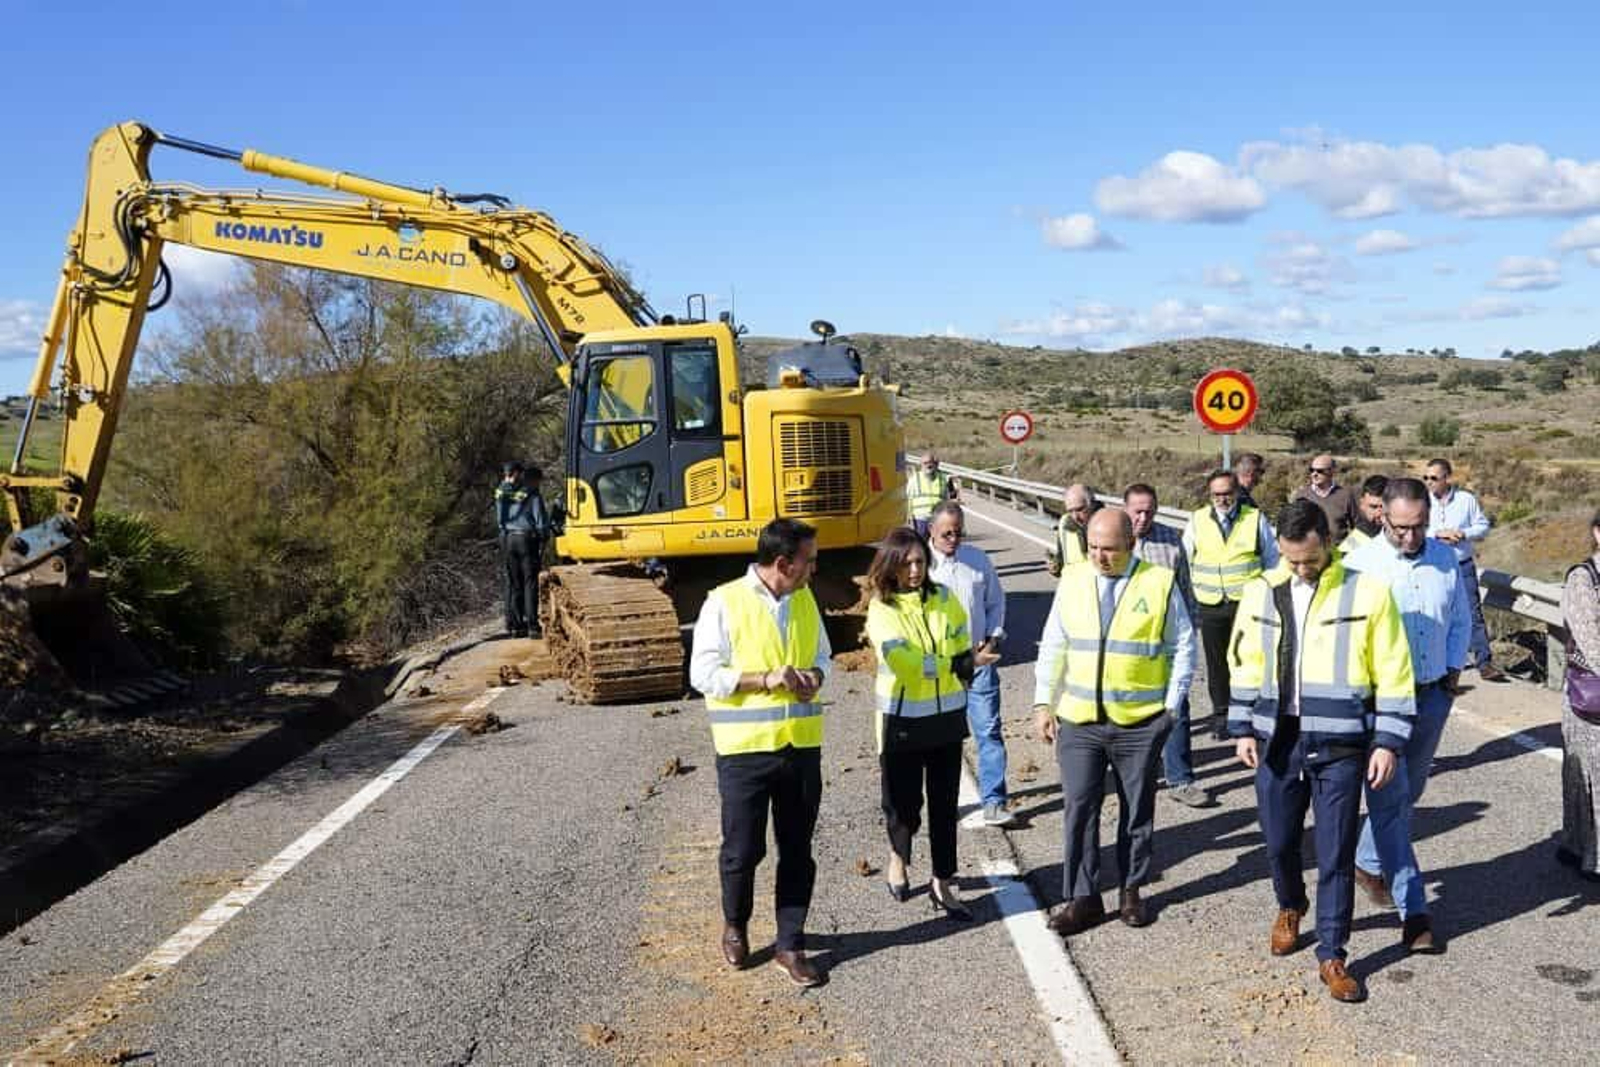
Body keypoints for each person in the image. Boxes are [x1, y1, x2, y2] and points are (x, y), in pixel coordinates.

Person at [1229, 500, 1415, 1004]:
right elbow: (1244, 660)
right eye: (1291, 560)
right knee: (1278, 841)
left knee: (1335, 852)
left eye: (1309, 560)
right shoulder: (1261, 591)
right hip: (1278, 739)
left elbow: (1394, 669)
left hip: (1341, 744)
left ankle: (1332, 953)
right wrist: (1242, 728)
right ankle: (1291, 904)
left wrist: (1388, 741)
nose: (1300, 570)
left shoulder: (1367, 592)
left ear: (1327, 543)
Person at [1035, 509, 1195, 935]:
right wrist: (1043, 702)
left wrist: (1172, 707)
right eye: (1092, 547)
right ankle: (1083, 898)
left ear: (1132, 544)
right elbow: (1054, 642)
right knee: (1079, 807)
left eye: (1109, 549)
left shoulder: (1158, 582)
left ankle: (1131, 890)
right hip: (1080, 719)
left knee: (1136, 811)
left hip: (1140, 722)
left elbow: (1182, 645)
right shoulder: (1073, 579)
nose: (1099, 557)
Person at [688, 518, 832, 986]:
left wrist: (815, 677)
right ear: (783, 563)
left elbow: (824, 656)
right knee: (743, 850)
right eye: (809, 560)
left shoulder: (805, 599)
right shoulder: (723, 601)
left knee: (798, 851)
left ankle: (791, 944)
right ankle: (736, 923)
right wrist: (763, 679)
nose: (814, 568)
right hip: (745, 753)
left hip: (800, 748)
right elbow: (702, 675)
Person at [1342, 477, 1471, 951]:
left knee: (1410, 792)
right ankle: (1414, 910)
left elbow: (1460, 618)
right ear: (1383, 518)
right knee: (1389, 803)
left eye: (1418, 527)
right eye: (1400, 528)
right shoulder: (1360, 565)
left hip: (1433, 696)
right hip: (1383, 705)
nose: (1410, 536)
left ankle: (1366, 860)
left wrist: (1453, 671)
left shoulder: (1445, 558)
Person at [866, 526, 993, 919]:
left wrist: (965, 663)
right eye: (906, 564)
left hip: (946, 720)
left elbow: (961, 647)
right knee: (903, 804)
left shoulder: (945, 599)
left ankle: (943, 881)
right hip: (901, 721)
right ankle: (898, 857)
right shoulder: (882, 609)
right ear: (891, 566)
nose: (915, 570)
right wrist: (957, 664)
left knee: (944, 806)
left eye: (920, 561)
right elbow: (905, 664)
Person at [926, 502, 1016, 828]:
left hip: (980, 662)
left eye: (958, 532)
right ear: (931, 531)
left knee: (988, 731)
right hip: (941, 668)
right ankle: (943, 802)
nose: (954, 539)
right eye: (946, 534)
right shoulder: (920, 566)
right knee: (942, 740)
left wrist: (993, 639)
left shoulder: (978, 560)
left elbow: (996, 603)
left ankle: (994, 802)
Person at [1123, 483, 1209, 808]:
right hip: (1125, 644)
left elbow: (1185, 589)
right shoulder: (1112, 537)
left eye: (1149, 511)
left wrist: (1190, 632)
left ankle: (1181, 780)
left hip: (1166, 639)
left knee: (1177, 709)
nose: (1143, 518)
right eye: (1137, 511)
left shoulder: (1170, 540)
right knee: (1129, 712)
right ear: (1125, 508)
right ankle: (1132, 776)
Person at [1183, 470, 1279, 741]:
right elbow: (1185, 560)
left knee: (1247, 659)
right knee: (1216, 665)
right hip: (1210, 605)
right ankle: (1221, 716)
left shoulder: (1254, 519)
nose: (1222, 499)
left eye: (1226, 493)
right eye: (1216, 494)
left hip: (1246, 605)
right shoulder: (1197, 520)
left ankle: (1250, 712)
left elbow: (1272, 560)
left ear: (1236, 493)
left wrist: (1267, 596)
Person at [1424, 458, 1504, 681]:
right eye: (1426, 477)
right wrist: (1437, 534)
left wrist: (1463, 533)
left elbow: (1483, 526)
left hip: (1462, 565)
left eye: (1434, 478)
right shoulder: (1423, 501)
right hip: (1433, 566)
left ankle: (1484, 663)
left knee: (1472, 613)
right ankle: (1437, 662)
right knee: (1435, 612)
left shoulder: (1466, 500)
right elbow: (1416, 528)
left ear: (1447, 478)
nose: (1429, 482)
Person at [1558, 508, 1600, 882]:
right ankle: (1587, 853)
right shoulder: (1582, 579)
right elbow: (1590, 639)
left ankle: (1578, 848)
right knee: (1585, 775)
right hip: (1589, 691)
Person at [495, 461, 551, 638]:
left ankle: (516, 626)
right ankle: (533, 626)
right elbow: (540, 519)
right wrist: (544, 535)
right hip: (526, 539)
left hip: (508, 538)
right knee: (529, 582)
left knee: (514, 583)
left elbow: (499, 519)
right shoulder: (531, 493)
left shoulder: (500, 492)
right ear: (518, 473)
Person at [1292, 454, 1360, 546]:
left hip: (1337, 552)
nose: (1314, 474)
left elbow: (1360, 529)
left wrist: (1346, 550)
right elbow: (1294, 526)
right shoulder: (1301, 496)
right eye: (1312, 470)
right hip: (1310, 552)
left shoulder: (1346, 495)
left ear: (1332, 472)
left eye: (1320, 471)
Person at [1047, 483, 1100, 577]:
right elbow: (1062, 559)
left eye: (1080, 509)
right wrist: (1056, 567)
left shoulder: (1108, 525)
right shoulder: (1064, 524)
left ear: (1092, 504)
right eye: (1070, 511)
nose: (1075, 516)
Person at [907, 452, 957, 538]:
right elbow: (908, 498)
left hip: (938, 517)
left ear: (935, 464)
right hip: (920, 518)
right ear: (921, 465)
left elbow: (948, 498)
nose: (928, 465)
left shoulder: (943, 478)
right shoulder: (914, 479)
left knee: (938, 541)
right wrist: (909, 516)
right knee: (922, 542)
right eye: (925, 463)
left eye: (931, 462)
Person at [1341, 474, 1388, 556]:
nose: (1379, 513)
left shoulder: (1407, 536)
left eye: (1384, 506)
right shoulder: (1356, 538)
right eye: (1373, 507)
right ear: (1362, 504)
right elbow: (1340, 561)